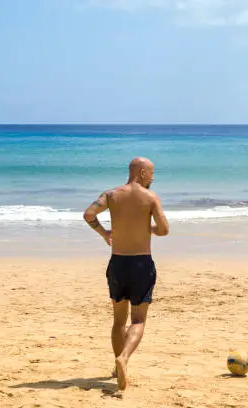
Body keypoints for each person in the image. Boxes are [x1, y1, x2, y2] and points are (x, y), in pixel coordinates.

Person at [83, 157, 169, 390]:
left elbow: (89, 214)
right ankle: (124, 359)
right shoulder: (150, 197)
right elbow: (163, 230)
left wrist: (104, 234)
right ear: (141, 173)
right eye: (151, 173)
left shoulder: (111, 195)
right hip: (141, 263)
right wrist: (146, 227)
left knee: (118, 320)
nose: (152, 178)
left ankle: (117, 365)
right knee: (138, 319)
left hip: (118, 263)